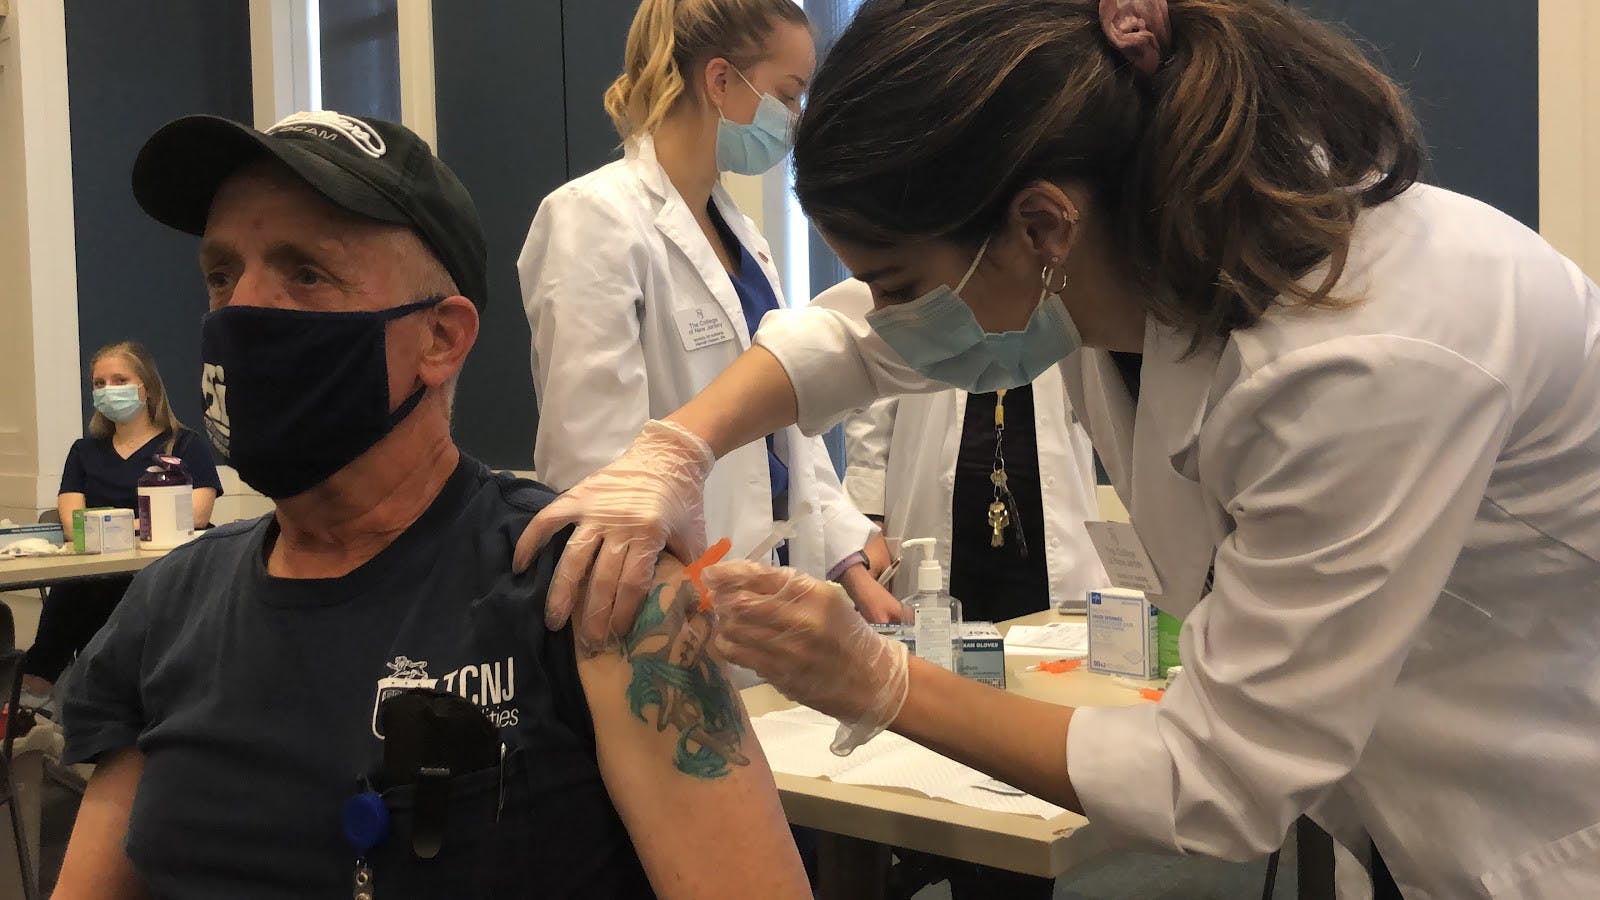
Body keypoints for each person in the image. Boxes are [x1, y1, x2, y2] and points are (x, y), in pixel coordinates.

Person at [515, 1, 1600, 897]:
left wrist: (876, 682)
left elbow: (1214, 781)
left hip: (1552, 820)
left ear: (1041, 227)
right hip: (1422, 807)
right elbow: (857, 333)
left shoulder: (1365, 351)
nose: (887, 315)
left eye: (899, 280)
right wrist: (673, 445)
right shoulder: (1130, 247)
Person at [54, 109, 808, 899]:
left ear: (441, 340)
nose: (242, 311)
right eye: (221, 274)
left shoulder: (591, 588)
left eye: (304, 273)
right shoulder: (166, 610)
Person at [518, 0, 901, 633]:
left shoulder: (744, 235)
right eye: (789, 95)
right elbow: (595, 465)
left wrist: (849, 565)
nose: (796, 119)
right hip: (674, 606)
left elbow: (789, 436)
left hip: (771, 584)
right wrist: (674, 605)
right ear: (721, 81)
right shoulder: (595, 218)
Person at [818, 279, 1106, 624]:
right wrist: (869, 515)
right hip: (933, 502)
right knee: (934, 643)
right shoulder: (926, 253)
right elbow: (877, 392)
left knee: (1047, 655)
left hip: (1048, 518)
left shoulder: (1062, 268)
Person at [22, 341, 223, 705]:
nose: (107, 390)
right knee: (81, 582)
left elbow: (196, 515)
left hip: (166, 571)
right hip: (98, 573)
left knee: (111, 589)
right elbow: (72, 523)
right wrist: (136, 524)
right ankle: (39, 695)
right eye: (99, 383)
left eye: (119, 380)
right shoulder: (84, 452)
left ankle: (42, 683)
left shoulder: (184, 445)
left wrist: (108, 526)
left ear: (145, 387)